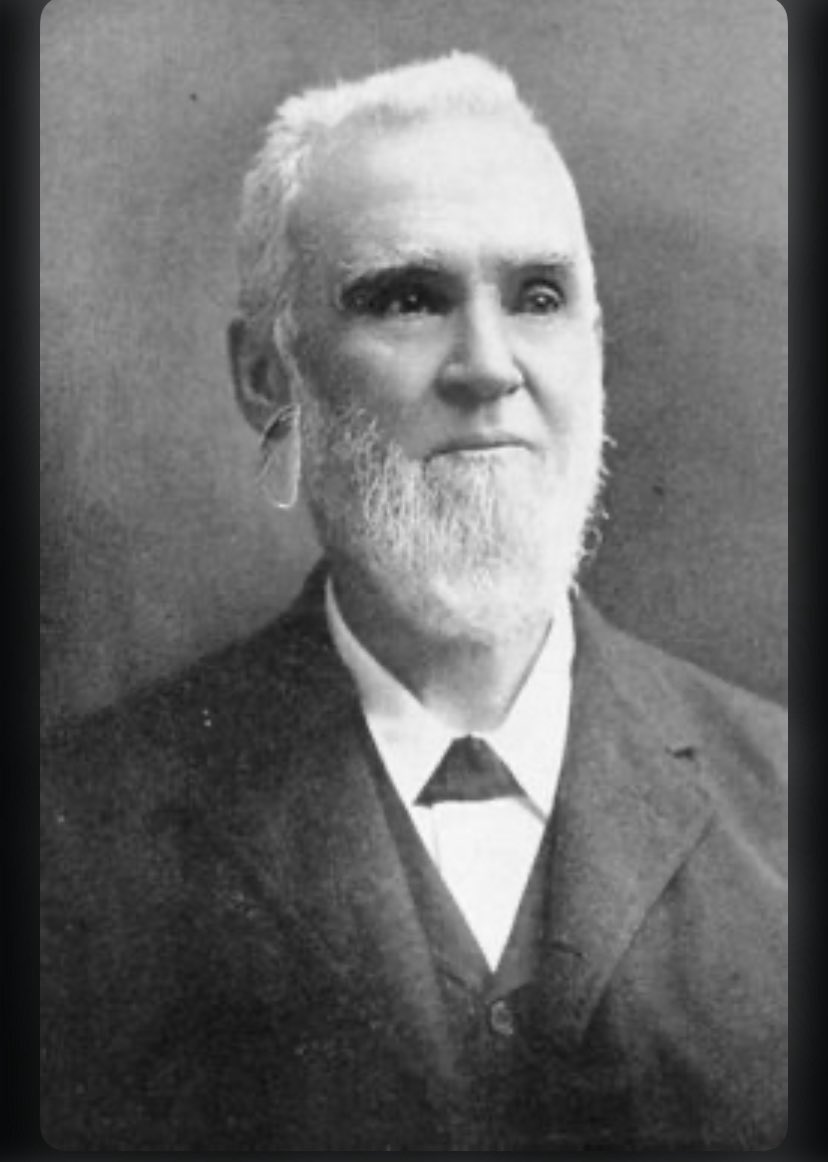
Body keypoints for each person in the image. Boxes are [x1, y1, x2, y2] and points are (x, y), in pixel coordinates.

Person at [40, 52, 787, 1152]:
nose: (488, 366)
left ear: (593, 347)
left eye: (540, 298)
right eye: (407, 299)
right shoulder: (72, 843)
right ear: (268, 377)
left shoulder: (784, 803)